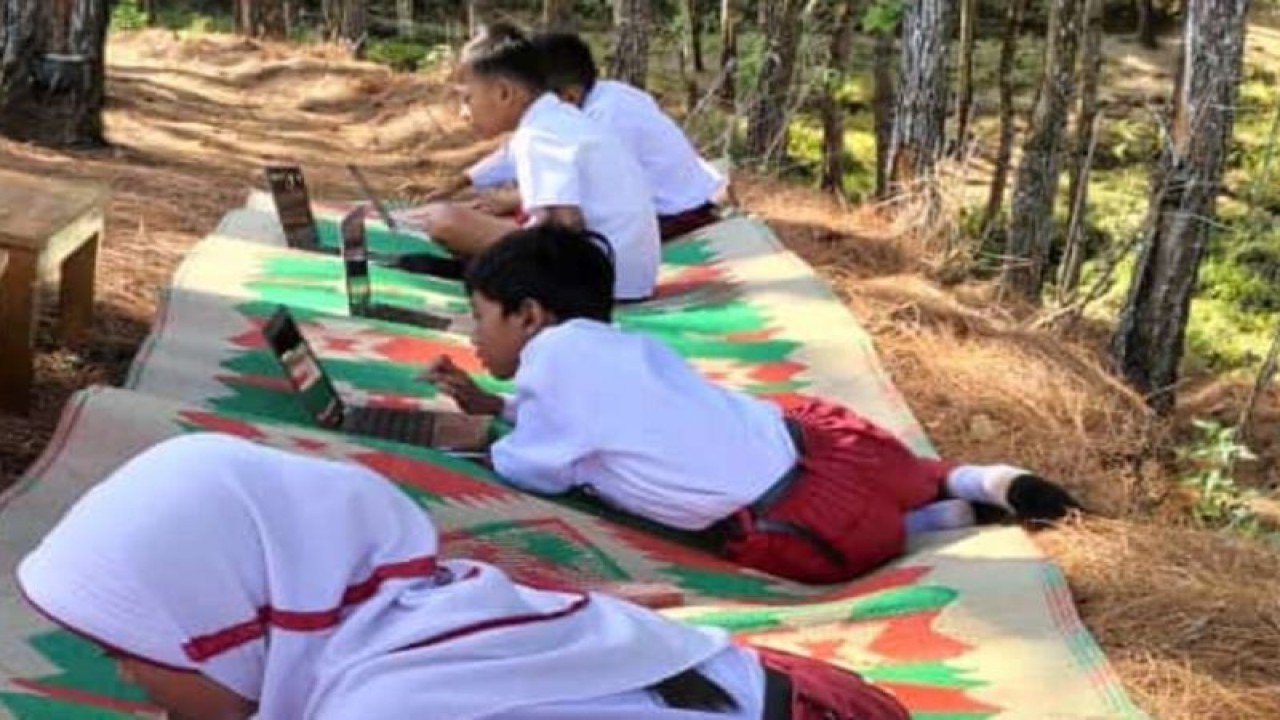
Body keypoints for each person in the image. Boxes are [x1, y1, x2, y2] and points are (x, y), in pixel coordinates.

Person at [17, 433, 910, 720]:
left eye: (134, 647)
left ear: (235, 625)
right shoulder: (400, 609)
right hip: (790, 688)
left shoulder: (385, 706)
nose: (123, 675)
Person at [428, 226, 1082, 585]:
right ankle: (975, 482)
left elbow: (536, 468)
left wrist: (487, 434)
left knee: (848, 542)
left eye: (480, 317)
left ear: (530, 315)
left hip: (799, 530)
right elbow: (603, 418)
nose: (474, 336)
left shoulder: (548, 360)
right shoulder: (619, 346)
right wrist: (500, 404)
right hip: (835, 454)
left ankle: (930, 523)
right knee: (904, 472)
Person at [396, 22, 660, 302]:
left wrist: (477, 239)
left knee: (444, 221)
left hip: (606, 282)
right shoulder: (556, 119)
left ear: (504, 93)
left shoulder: (538, 135)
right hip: (628, 275)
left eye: (468, 98)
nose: (464, 112)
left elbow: (565, 224)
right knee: (468, 223)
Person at [458, 31, 728, 241]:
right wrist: (468, 178)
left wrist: (512, 201)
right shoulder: (603, 96)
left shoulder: (604, 118)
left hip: (675, 215)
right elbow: (513, 154)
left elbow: (581, 201)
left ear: (569, 96)